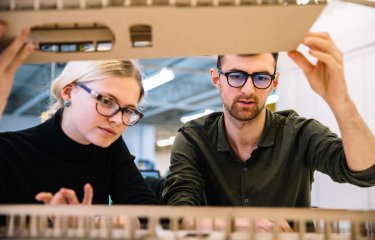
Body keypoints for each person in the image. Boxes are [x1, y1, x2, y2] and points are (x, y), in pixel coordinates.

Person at [163, 32, 375, 209]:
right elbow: (178, 209)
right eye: (236, 76)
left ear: (275, 82)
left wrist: (341, 102)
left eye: (261, 77)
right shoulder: (193, 139)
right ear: (216, 79)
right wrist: (239, 225)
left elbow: (366, 172)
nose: (248, 89)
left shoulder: (300, 134)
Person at [0, 23, 159, 206]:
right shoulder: (9, 151)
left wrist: (119, 222)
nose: (117, 119)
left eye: (128, 110)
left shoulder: (110, 149)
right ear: (68, 92)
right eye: (106, 101)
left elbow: (147, 211)